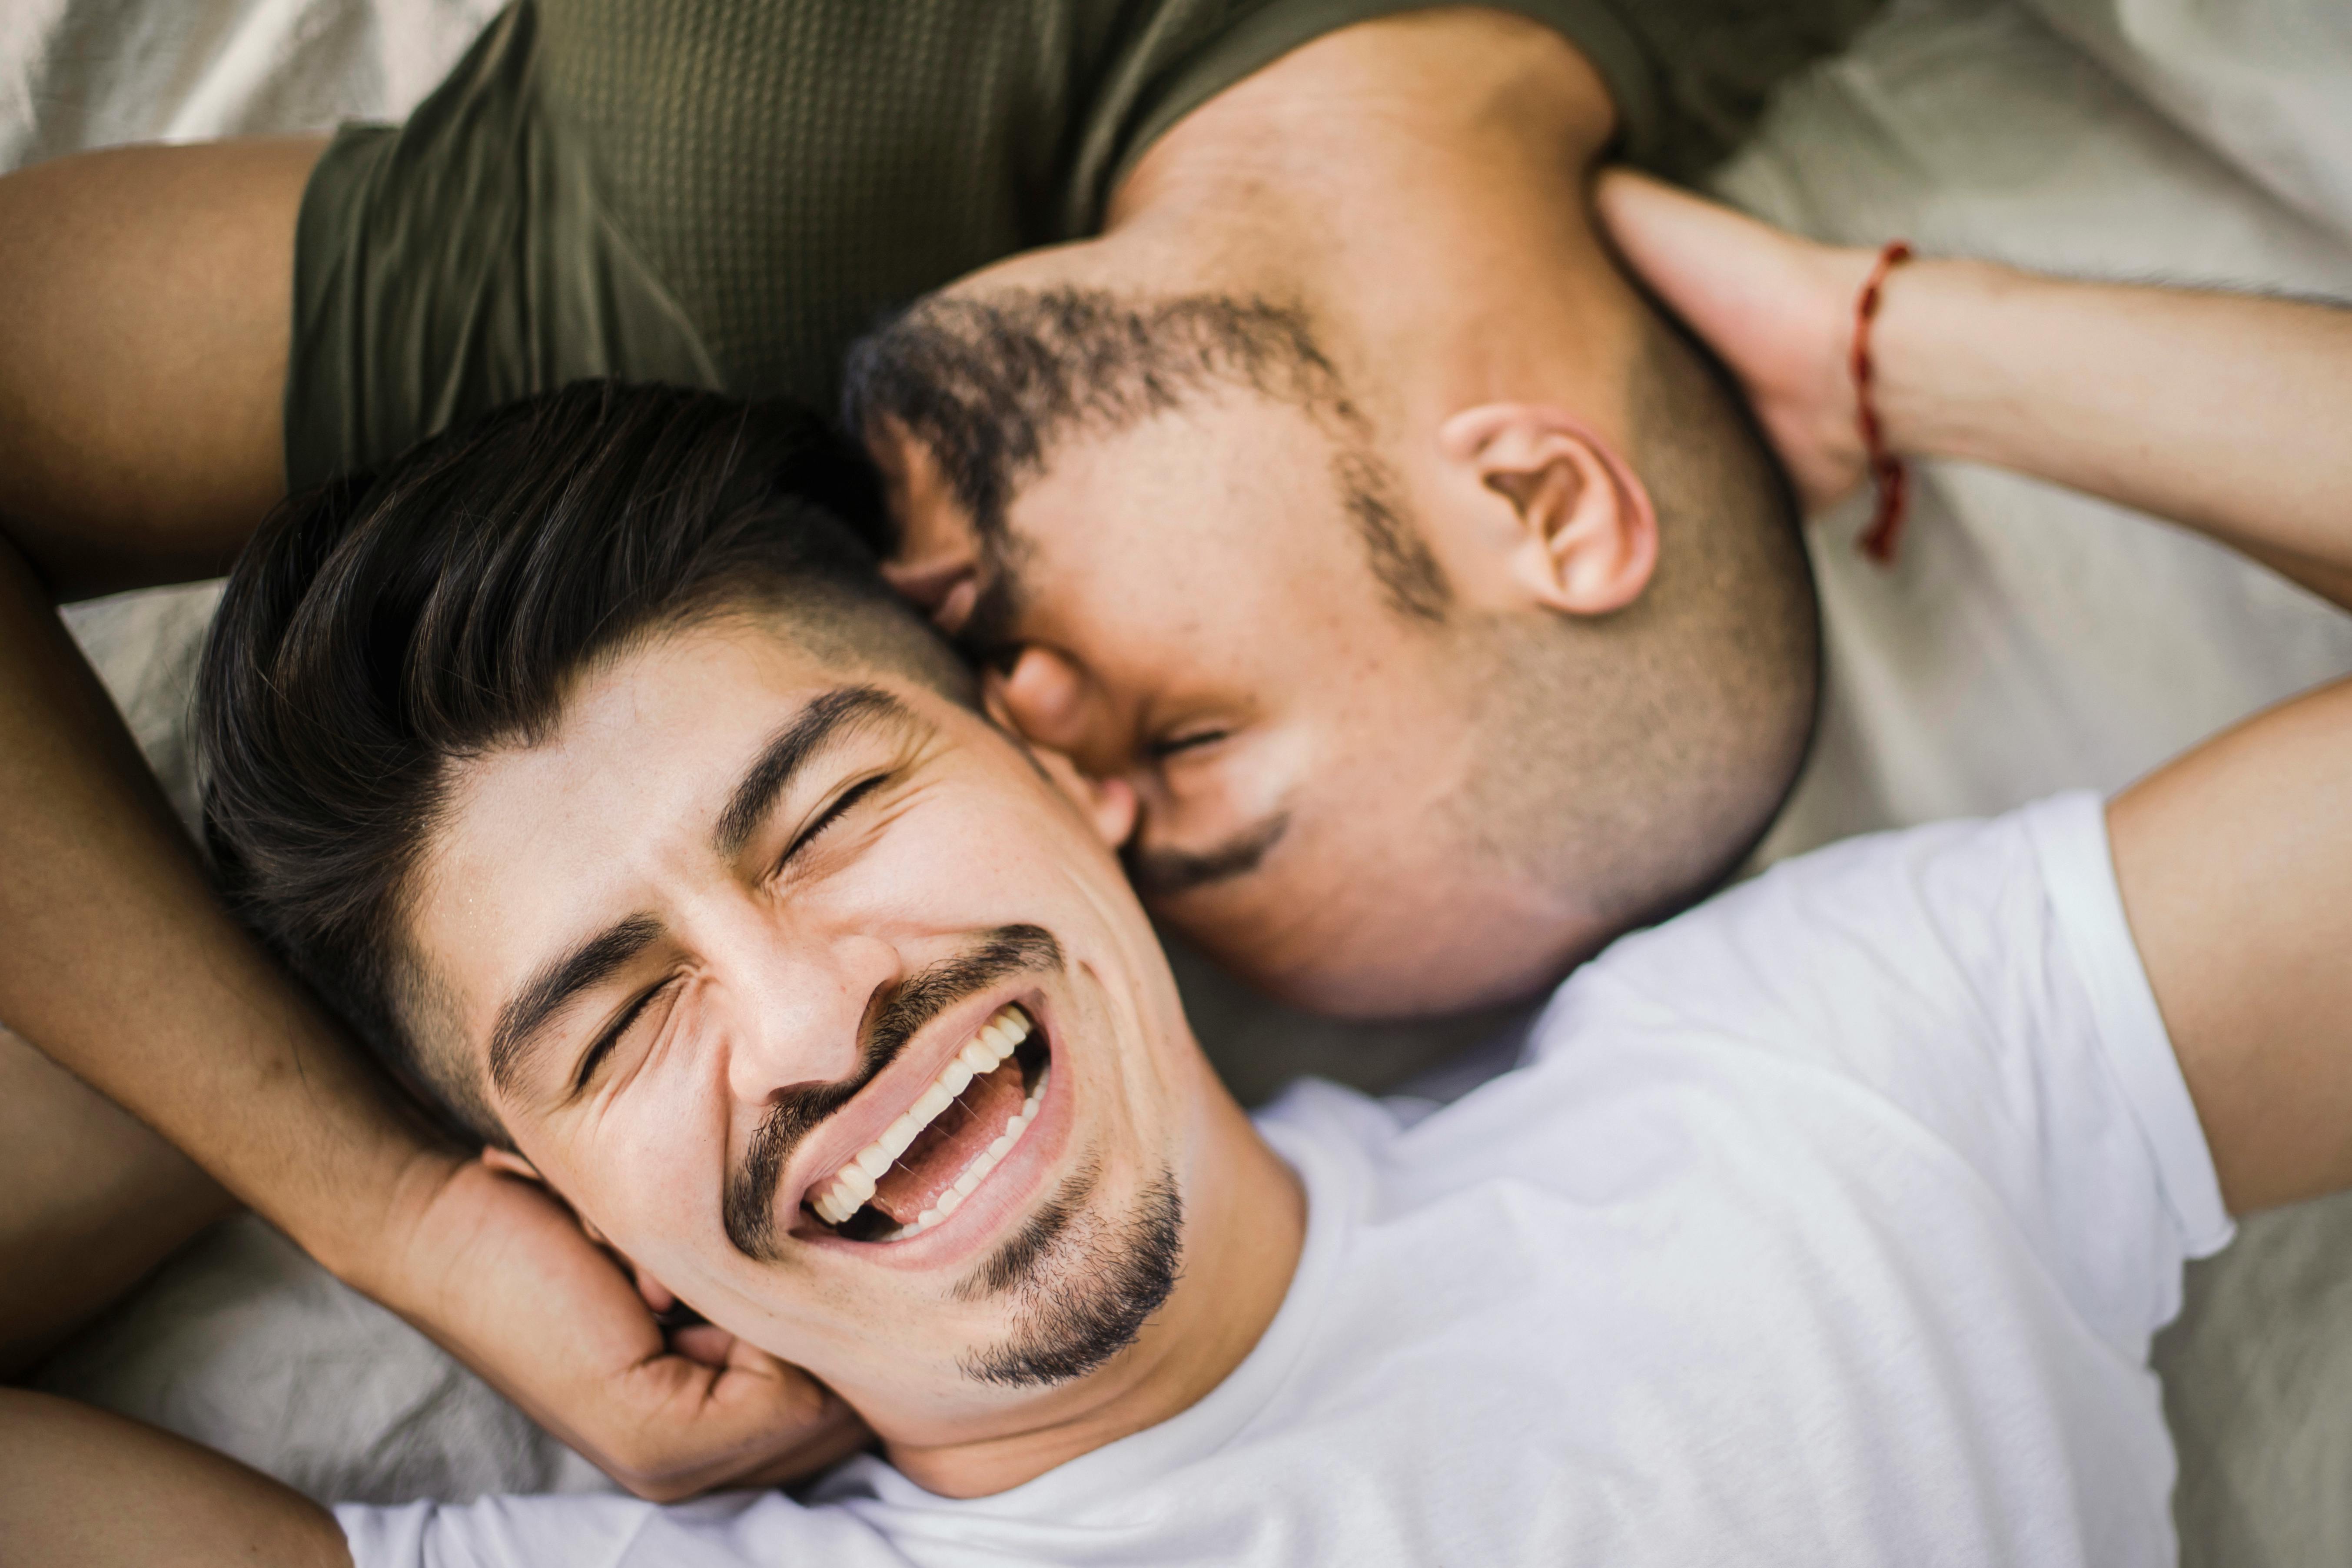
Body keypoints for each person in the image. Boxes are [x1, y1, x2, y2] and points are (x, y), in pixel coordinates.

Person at [9, 200, 2352, 1563]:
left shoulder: (1814, 1099)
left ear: (1048, 758)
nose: (812, 1019)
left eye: (828, 814)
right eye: (615, 1023)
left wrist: (1876, 338)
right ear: (558, 1206)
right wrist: (355, 1206)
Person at [0, 0, 1870, 1486]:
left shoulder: (680, 306)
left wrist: (386, 1206)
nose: (1036, 730)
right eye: (1198, 741)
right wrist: (1887, 340)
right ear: (1536, 495)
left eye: (848, 805)